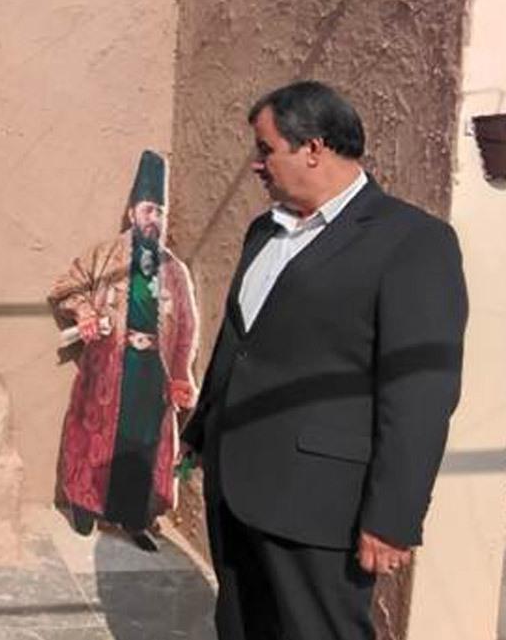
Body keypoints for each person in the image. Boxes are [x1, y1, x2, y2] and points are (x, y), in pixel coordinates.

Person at [180, 81, 468, 639]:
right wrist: (200, 429)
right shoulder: (264, 231)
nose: (256, 164)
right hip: (234, 486)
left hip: (319, 504)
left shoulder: (412, 242)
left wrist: (394, 517)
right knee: (241, 627)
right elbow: (239, 340)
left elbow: (420, 394)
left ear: (313, 147)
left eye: (265, 149)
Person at [49, 150, 199, 549]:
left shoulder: (172, 270)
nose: (154, 219)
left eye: (160, 212)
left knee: (142, 445)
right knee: (93, 437)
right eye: (148, 210)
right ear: (133, 213)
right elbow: (64, 287)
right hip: (108, 366)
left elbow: (185, 326)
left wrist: (180, 375)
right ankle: (84, 506)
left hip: (152, 371)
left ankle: (133, 518)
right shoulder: (105, 255)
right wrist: (84, 311)